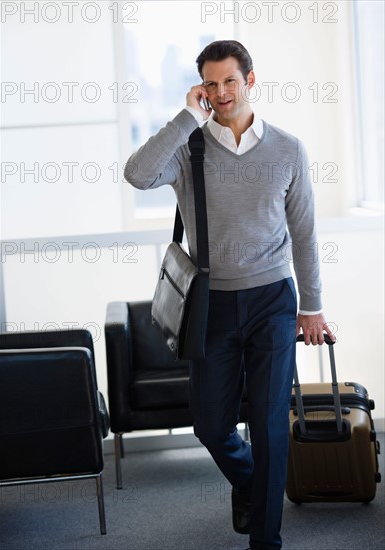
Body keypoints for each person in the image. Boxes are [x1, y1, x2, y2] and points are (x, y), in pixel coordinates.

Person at [125, 40, 335, 550]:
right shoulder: (187, 147)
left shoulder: (287, 148)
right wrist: (183, 117)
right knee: (212, 426)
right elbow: (137, 173)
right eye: (210, 84)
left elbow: (304, 234)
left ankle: (266, 539)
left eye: (230, 82)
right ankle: (250, 483)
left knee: (267, 426)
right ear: (200, 88)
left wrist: (312, 307)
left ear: (251, 81)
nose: (221, 92)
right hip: (211, 305)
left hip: (273, 303)